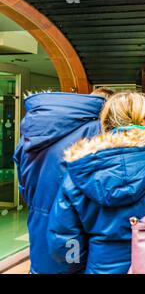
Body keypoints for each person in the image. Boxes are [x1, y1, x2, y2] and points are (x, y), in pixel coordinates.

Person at [47, 92, 145, 274]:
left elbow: (65, 234)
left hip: (101, 265)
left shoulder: (82, 165)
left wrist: (75, 266)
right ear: (144, 119)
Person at [13, 89, 112, 274]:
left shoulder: (31, 128)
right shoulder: (97, 131)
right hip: (76, 222)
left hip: (38, 216)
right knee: (71, 265)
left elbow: (22, 179)